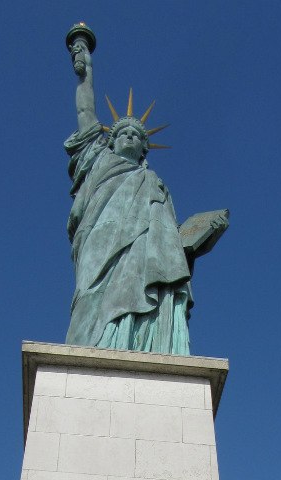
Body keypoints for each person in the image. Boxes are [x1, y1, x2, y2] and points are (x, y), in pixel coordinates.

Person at [64, 26, 228, 355]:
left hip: (142, 253)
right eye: (122, 133)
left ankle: (136, 344)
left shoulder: (154, 183)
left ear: (143, 149)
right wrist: (85, 67)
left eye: (137, 136)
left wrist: (198, 236)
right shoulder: (96, 158)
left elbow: (169, 243)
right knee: (90, 298)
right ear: (111, 140)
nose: (130, 137)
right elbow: (85, 111)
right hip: (99, 241)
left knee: (139, 292)